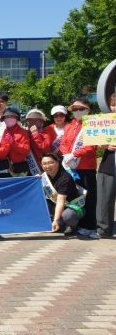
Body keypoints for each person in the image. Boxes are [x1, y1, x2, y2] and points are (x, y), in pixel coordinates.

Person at [59, 96, 99, 239]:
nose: (77, 111)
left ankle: (90, 226)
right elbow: (63, 143)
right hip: (70, 167)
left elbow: (91, 146)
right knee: (75, 198)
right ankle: (76, 224)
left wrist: (74, 154)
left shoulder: (93, 124)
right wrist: (66, 154)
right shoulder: (70, 126)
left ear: (88, 110)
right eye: (75, 109)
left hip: (86, 167)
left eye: (81, 108)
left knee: (89, 198)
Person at [40, 153, 85, 235]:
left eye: (51, 163)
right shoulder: (43, 177)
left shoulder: (65, 178)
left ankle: (72, 226)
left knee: (68, 216)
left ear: (57, 163)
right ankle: (60, 223)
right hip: (56, 206)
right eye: (44, 164)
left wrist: (55, 220)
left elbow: (61, 201)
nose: (47, 166)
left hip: (73, 207)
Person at [96, 91, 116, 238]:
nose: (115, 108)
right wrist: (106, 145)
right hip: (108, 165)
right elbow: (97, 143)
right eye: (113, 105)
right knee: (105, 199)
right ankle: (104, 230)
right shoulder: (103, 122)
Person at [0, 107, 31, 177]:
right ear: (3, 119)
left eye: (12, 116)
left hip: (20, 168)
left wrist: (13, 143)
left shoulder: (23, 132)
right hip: (4, 168)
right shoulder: (1, 132)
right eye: (7, 117)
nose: (9, 119)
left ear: (17, 118)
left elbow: (26, 150)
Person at [25, 109, 52, 176]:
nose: (32, 122)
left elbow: (45, 149)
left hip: (42, 169)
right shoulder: (25, 134)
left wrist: (35, 134)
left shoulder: (46, 135)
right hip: (28, 168)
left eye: (36, 120)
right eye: (30, 120)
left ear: (42, 122)